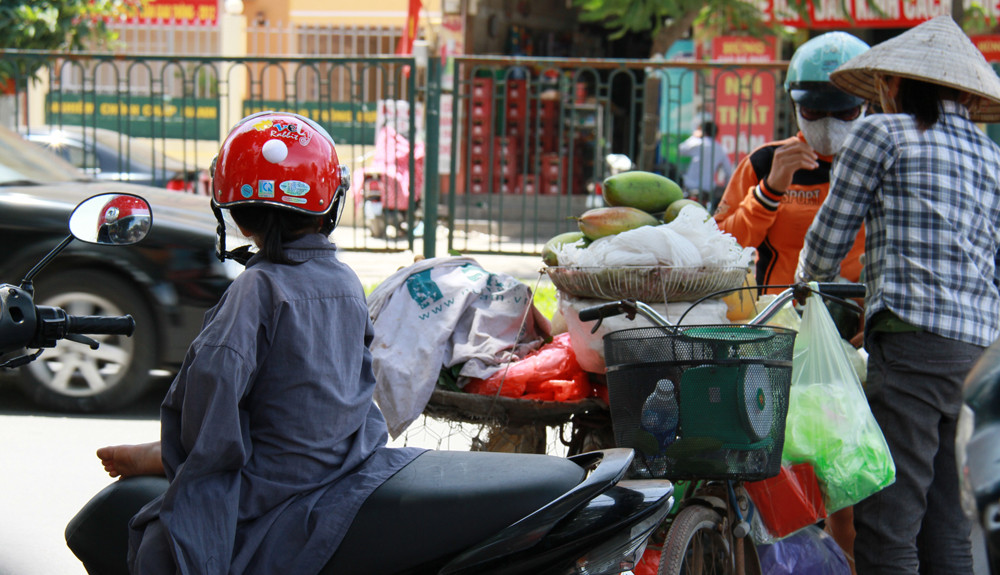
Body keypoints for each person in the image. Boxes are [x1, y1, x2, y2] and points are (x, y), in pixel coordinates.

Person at [68, 111, 426, 575]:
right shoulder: (345, 280)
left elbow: (211, 396)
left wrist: (184, 458)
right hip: (344, 461)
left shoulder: (257, 289)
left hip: (276, 483)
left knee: (162, 549)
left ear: (237, 216)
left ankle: (166, 456)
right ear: (328, 206)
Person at [797, 15, 1000, 574]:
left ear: (891, 84)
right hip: (976, 356)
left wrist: (804, 288)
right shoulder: (991, 157)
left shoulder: (881, 134)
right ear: (965, 94)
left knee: (888, 528)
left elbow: (829, 240)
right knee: (946, 527)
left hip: (913, 350)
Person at [713, 31, 870, 295]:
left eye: (845, 112)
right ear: (795, 105)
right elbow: (719, 249)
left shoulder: (881, 164)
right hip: (782, 311)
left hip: (857, 310)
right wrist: (768, 192)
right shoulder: (765, 162)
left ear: (867, 105)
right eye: (814, 111)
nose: (829, 124)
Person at [678, 120, 733, 209]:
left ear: (702, 131)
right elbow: (728, 171)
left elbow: (681, 149)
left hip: (690, 186)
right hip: (708, 189)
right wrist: (726, 189)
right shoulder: (720, 148)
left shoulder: (697, 143)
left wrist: (694, 137)